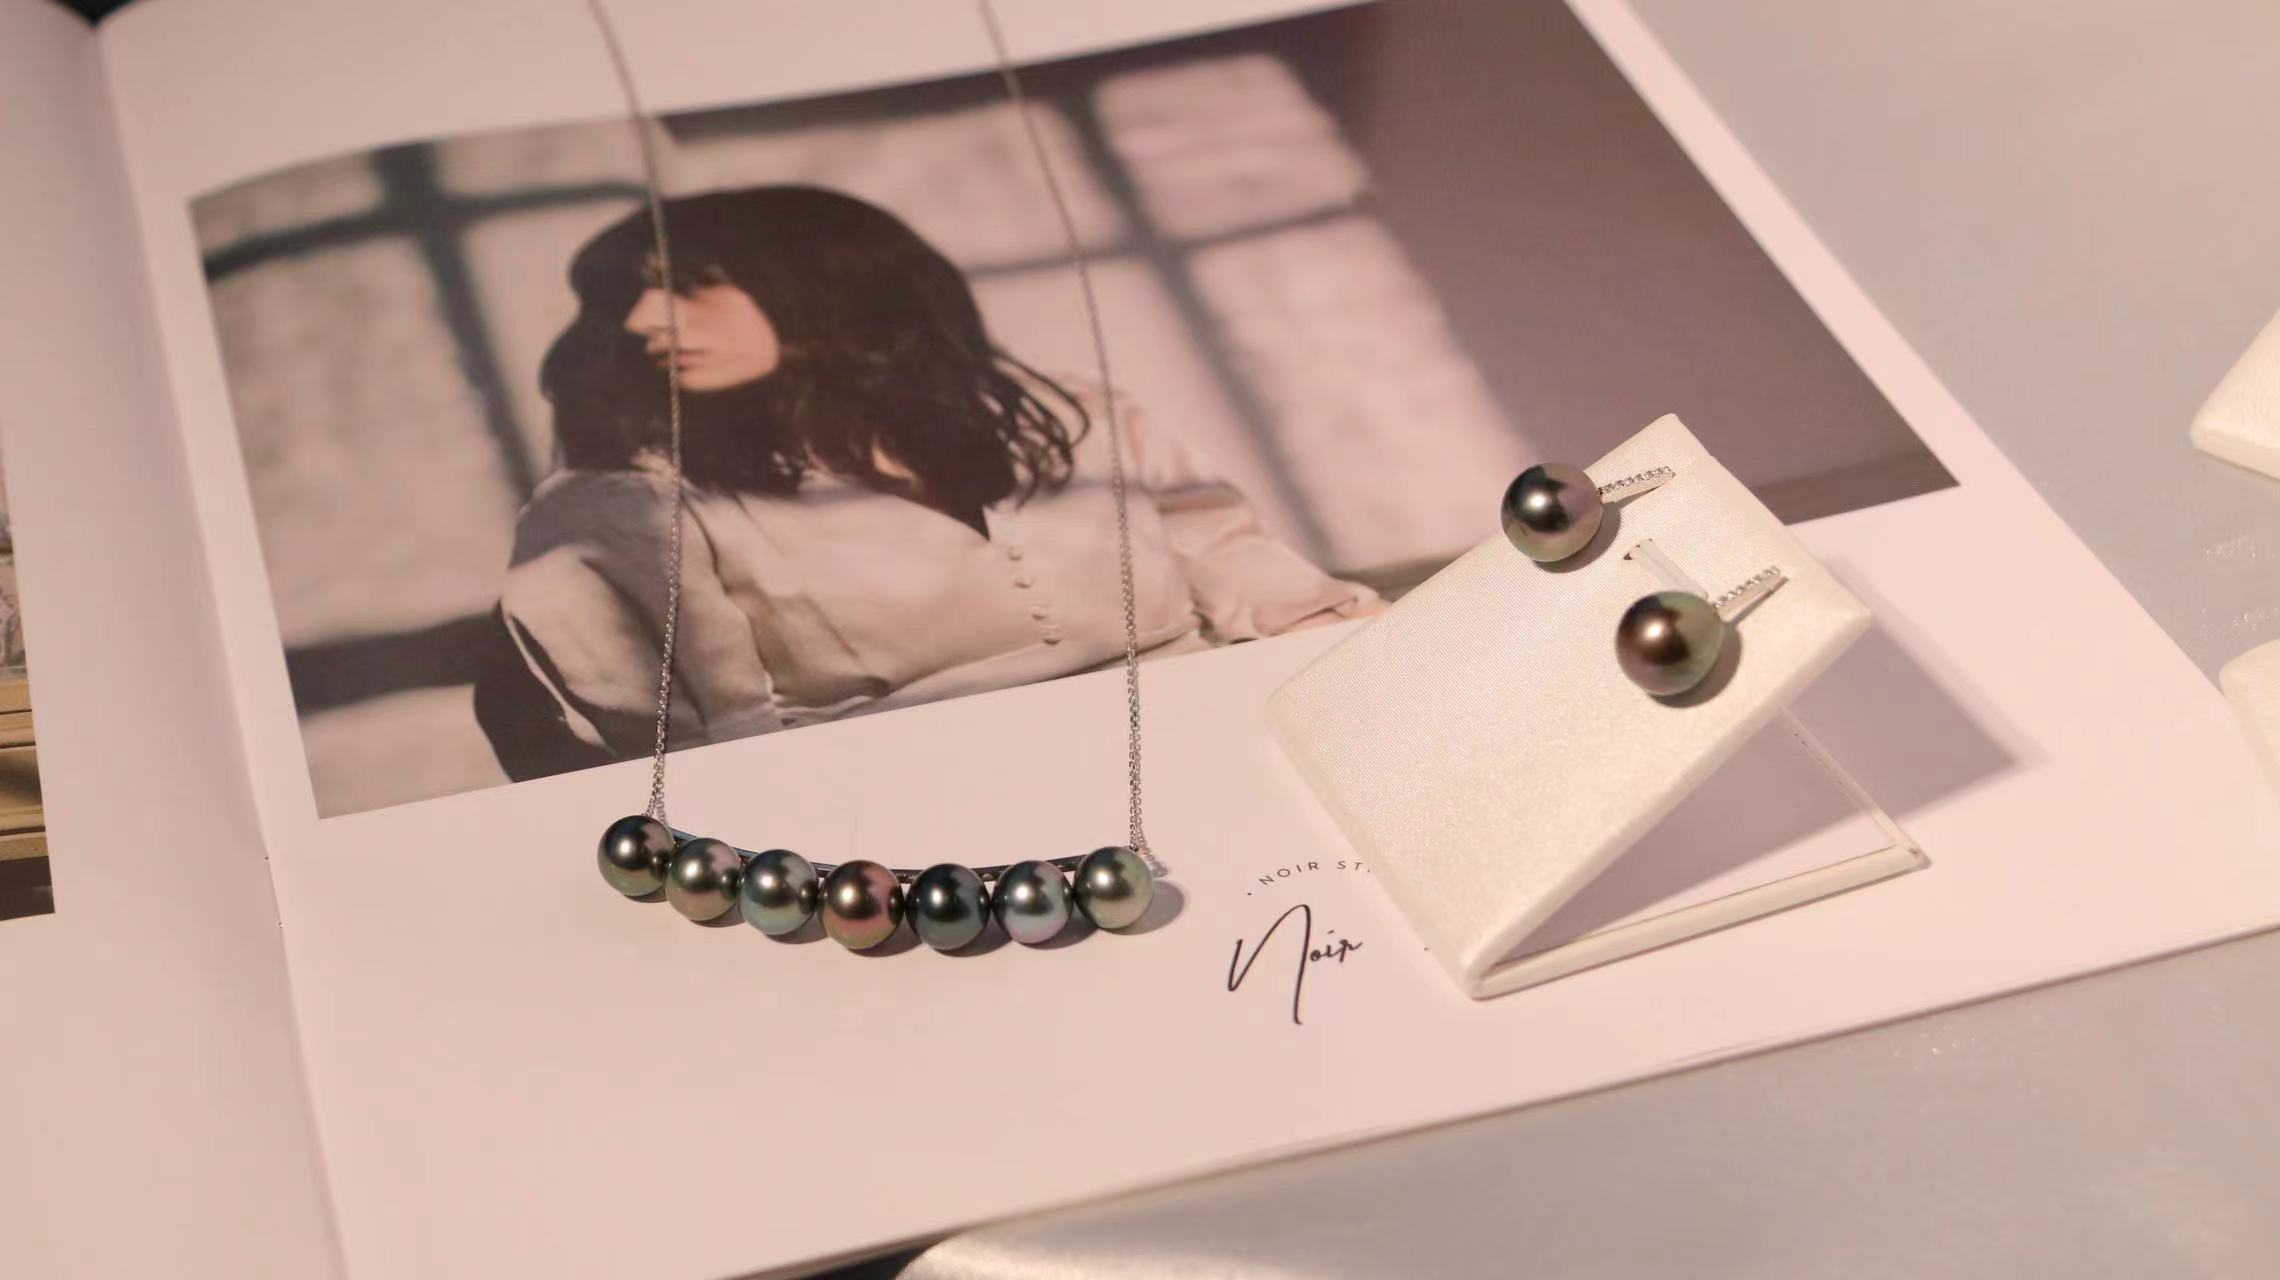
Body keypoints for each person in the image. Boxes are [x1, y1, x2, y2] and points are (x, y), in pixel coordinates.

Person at [475, 185, 1379, 779]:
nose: (643, 321)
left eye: (690, 286)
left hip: (1228, 749)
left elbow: (1258, 580)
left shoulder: (1077, 414)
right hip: (934, 827)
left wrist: (1381, 671)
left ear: (827, 286)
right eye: (629, 297)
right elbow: (716, 762)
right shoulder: (629, 509)